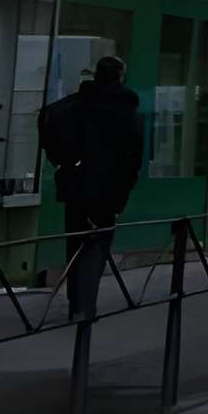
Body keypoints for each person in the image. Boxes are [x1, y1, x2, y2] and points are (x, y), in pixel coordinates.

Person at [40, 55, 143, 320]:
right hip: (109, 190)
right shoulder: (127, 113)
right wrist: (121, 196)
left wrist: (64, 165)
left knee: (75, 242)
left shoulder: (77, 105)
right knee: (98, 245)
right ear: (120, 76)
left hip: (76, 185)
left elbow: (53, 130)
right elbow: (133, 161)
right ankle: (86, 304)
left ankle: (77, 301)